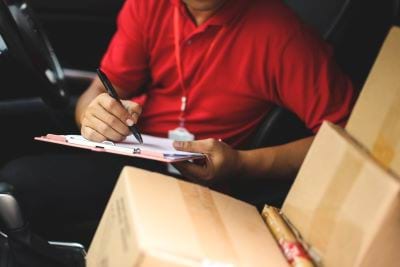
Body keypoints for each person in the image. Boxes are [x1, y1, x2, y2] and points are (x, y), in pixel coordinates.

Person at [0, 0, 354, 241]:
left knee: (18, 185)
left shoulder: (284, 37)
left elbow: (347, 139)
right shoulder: (151, 6)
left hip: (204, 181)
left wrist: (245, 164)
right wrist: (92, 116)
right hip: (136, 147)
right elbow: (100, 90)